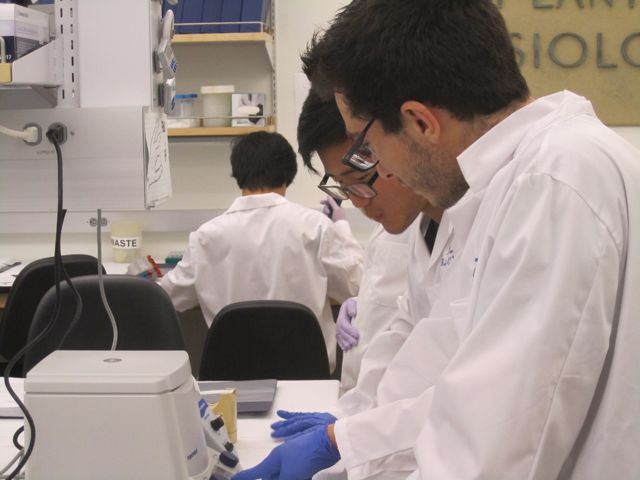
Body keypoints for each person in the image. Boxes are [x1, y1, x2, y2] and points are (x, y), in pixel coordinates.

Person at [233, 1, 640, 479]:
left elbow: (494, 447)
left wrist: (349, 443)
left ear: (421, 122)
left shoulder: (554, 181)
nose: (379, 170)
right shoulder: (501, 191)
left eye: (365, 147)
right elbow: (452, 388)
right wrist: (344, 439)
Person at [160, 131, 364, 372]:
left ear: (237, 174)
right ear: (289, 175)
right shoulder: (315, 227)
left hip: (231, 378)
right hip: (307, 374)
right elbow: (357, 285)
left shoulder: (207, 236)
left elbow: (168, 298)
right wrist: (341, 228)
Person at [297, 90, 442, 396]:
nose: (358, 201)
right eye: (343, 186)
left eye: (358, 177)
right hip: (370, 403)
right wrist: (362, 304)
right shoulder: (406, 222)